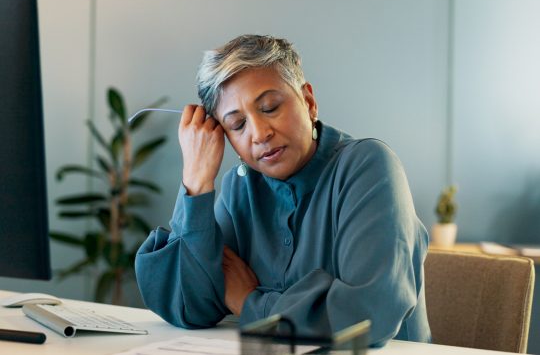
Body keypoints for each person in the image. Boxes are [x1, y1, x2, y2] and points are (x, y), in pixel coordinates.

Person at [135, 34, 431, 346]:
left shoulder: (368, 167)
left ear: (309, 101)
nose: (260, 134)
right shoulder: (242, 186)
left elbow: (368, 315)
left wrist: (250, 301)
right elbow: (190, 306)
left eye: (270, 107)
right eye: (237, 125)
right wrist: (196, 182)